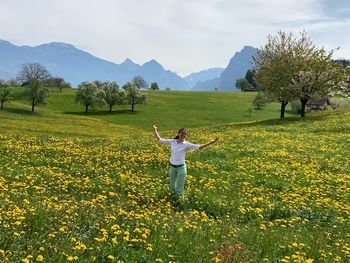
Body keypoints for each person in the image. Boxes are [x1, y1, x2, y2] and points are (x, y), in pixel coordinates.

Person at [152, 124, 219, 197]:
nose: (183, 134)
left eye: (185, 134)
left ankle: (179, 202)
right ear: (179, 133)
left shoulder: (186, 144)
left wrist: (210, 142)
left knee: (179, 188)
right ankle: (172, 199)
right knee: (172, 187)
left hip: (181, 168)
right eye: (182, 133)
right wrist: (155, 129)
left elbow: (199, 147)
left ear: (186, 136)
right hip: (172, 167)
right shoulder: (172, 141)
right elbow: (160, 139)